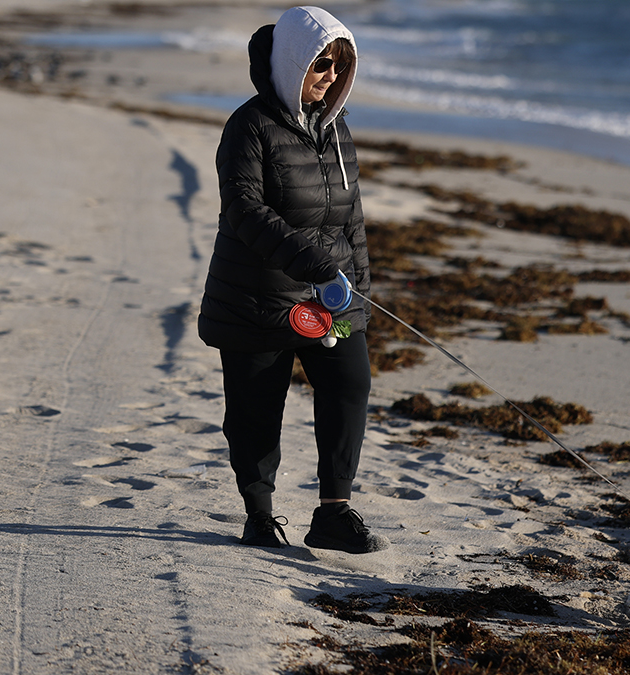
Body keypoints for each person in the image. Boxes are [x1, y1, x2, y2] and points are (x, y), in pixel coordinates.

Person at [197, 6, 386, 554]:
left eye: (339, 66)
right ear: (291, 61)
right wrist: (312, 264)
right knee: (256, 410)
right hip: (258, 295)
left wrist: (359, 300)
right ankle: (260, 517)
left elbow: (352, 222)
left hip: (330, 297)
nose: (329, 76)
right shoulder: (248, 126)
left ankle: (333, 513)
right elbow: (244, 209)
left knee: (350, 385)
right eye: (320, 64)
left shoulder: (337, 128)